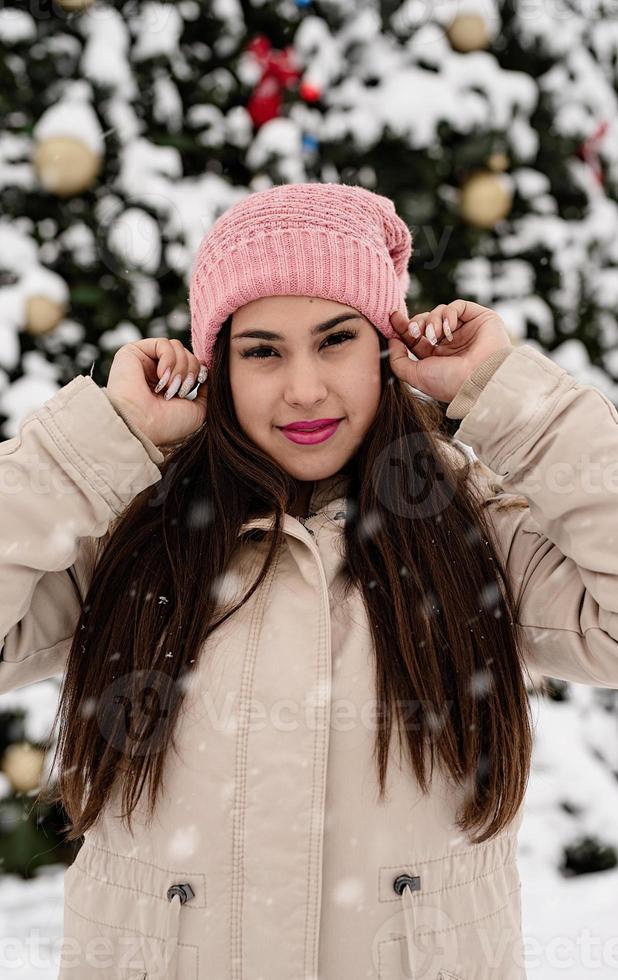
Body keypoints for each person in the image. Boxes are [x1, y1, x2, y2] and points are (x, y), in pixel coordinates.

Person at [1, 181, 617, 980]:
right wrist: (88, 448)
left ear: (387, 350)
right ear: (218, 366)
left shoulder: (471, 533)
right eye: (262, 350)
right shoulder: (127, 537)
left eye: (335, 341)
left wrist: (511, 399)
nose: (304, 389)